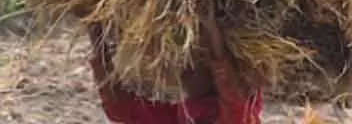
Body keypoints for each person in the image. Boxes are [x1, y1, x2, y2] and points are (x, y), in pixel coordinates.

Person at [88, 17, 263, 124]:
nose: (182, 71)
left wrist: (97, 39)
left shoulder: (187, 113)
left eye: (191, 66)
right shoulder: (237, 112)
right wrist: (211, 28)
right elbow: (234, 98)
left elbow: (122, 109)